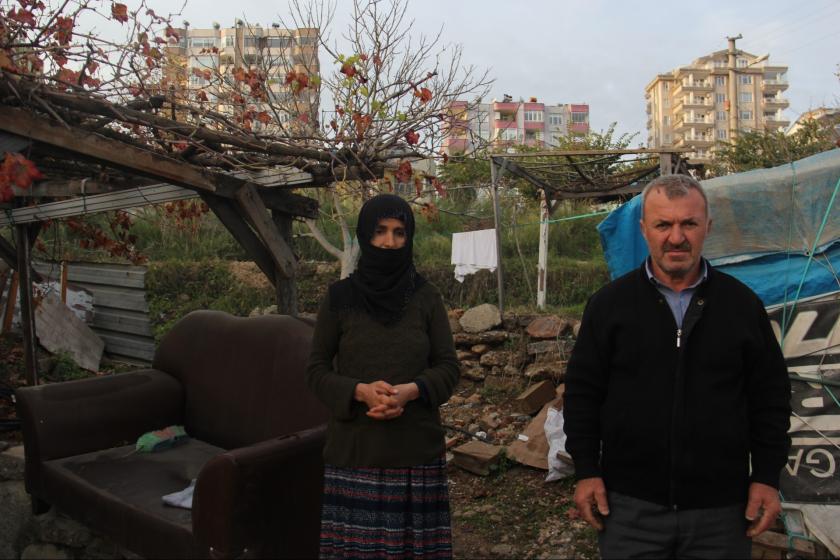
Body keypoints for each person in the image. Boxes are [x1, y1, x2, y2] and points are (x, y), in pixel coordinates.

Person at [563, 174, 792, 559]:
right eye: (663, 224)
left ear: (708, 227)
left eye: (689, 223)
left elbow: (770, 398)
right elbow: (584, 395)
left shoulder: (741, 306)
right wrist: (586, 471)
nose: (676, 237)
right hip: (629, 510)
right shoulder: (609, 306)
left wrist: (767, 477)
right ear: (643, 230)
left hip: (721, 512)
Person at [306, 193, 459, 559]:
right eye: (379, 232)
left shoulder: (426, 297)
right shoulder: (339, 297)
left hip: (415, 453)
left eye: (399, 233)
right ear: (364, 235)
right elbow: (316, 370)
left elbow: (448, 367)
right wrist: (359, 391)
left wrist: (412, 391)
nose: (389, 242)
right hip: (356, 454)